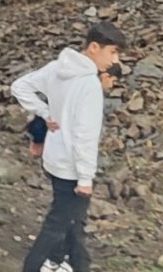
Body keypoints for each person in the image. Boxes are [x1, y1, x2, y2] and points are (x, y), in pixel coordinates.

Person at [11, 22, 126, 272]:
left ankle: (68, 265)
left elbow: (19, 87)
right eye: (113, 52)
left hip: (53, 159)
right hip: (72, 167)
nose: (115, 59)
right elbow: (85, 136)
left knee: (71, 223)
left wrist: (45, 112)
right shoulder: (89, 86)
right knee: (59, 224)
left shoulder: (57, 69)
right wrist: (86, 178)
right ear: (94, 47)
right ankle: (34, 267)